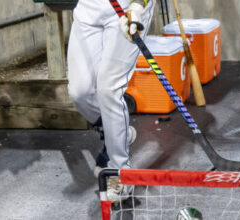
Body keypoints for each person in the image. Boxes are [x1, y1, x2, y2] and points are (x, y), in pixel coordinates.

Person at [67, 0, 155, 201]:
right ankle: (115, 133)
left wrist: (138, 6)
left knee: (109, 88)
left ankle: (120, 172)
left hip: (126, 7)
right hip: (89, 9)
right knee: (80, 92)